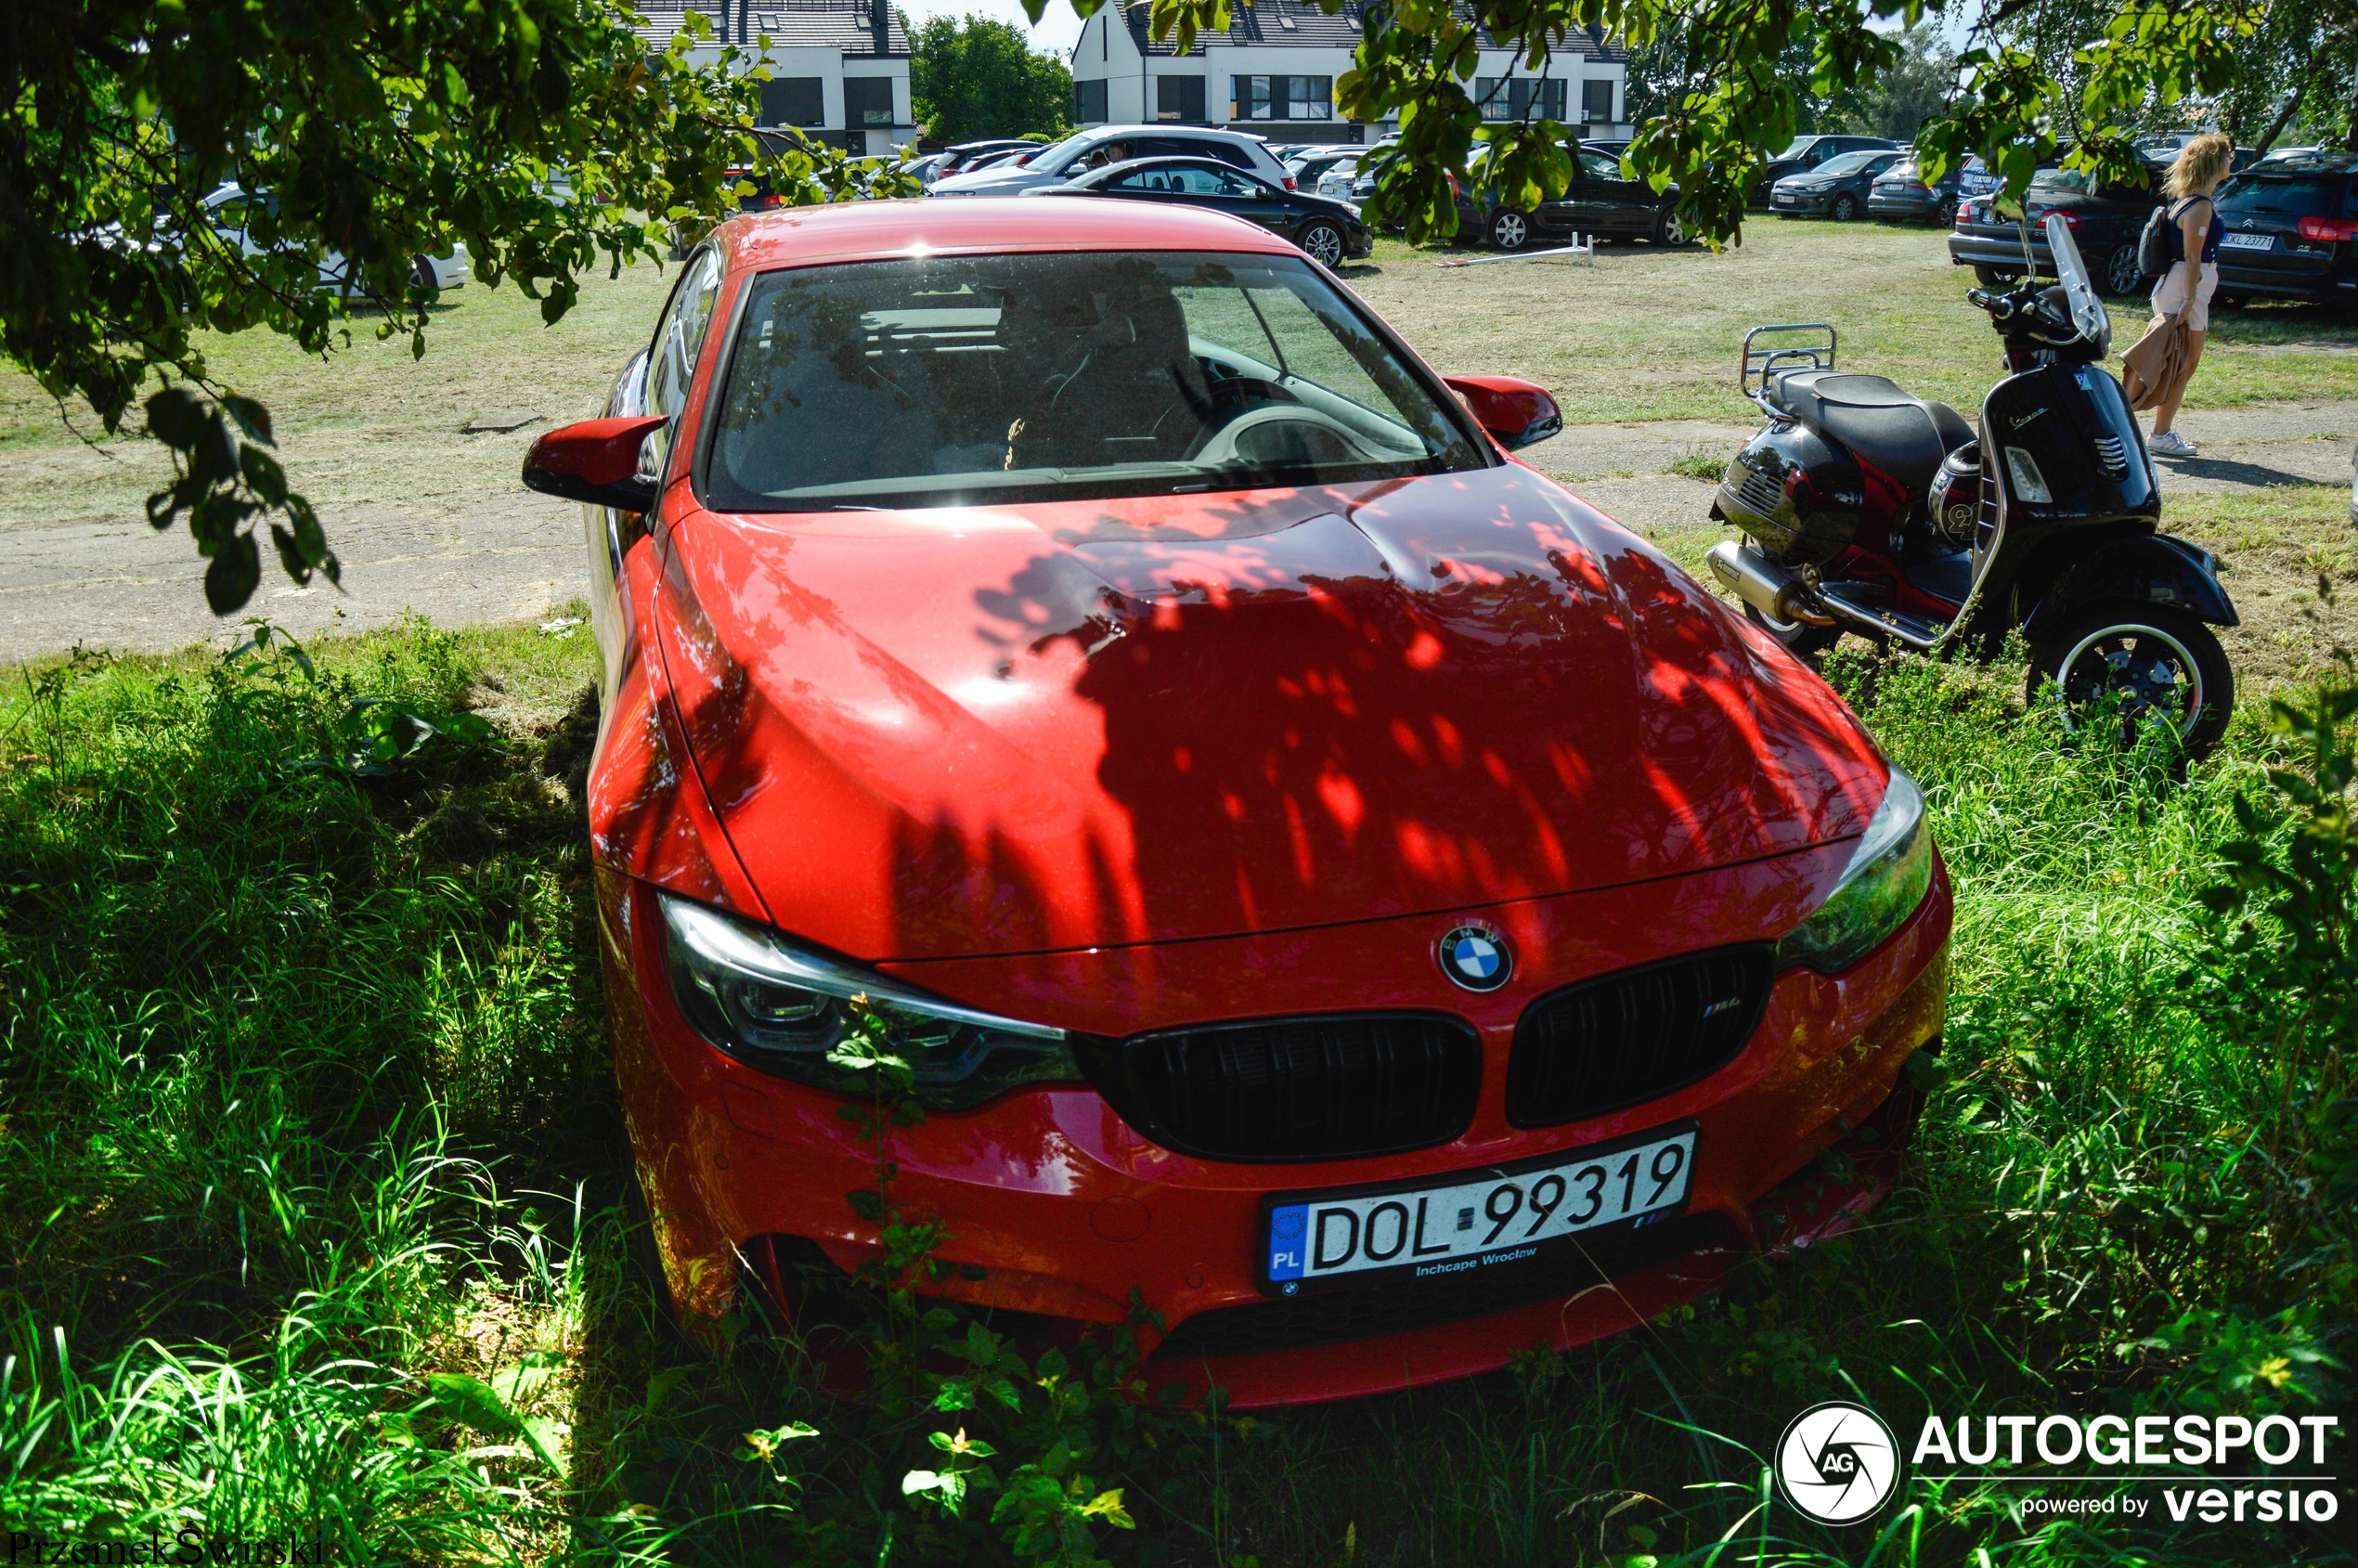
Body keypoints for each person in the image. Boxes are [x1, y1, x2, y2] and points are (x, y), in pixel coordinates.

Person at [2144, 133, 2233, 458]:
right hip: (2185, 286)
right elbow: (2192, 257)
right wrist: (2189, 301)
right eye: (2227, 156)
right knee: (2182, 363)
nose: (2230, 162)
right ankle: (2160, 434)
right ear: (2213, 162)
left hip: (2187, 286)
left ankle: (2159, 432)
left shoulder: (2189, 199)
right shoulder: (2200, 205)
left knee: (2180, 362)